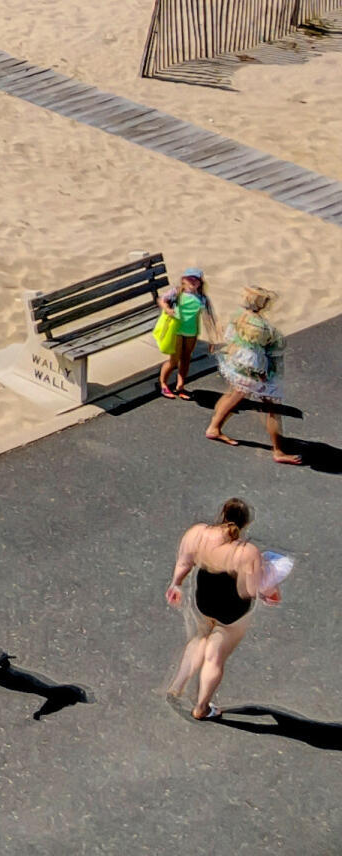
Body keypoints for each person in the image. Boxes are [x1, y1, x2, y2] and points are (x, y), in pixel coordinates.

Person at [168, 497, 282, 719]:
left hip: (204, 600)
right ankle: (201, 708)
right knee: (215, 656)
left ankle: (179, 683)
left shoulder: (197, 533)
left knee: (200, 637)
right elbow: (251, 589)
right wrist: (269, 592)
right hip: (232, 611)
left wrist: (175, 584)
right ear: (245, 524)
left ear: (222, 514)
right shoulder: (247, 552)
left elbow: (184, 563)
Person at [206, 286, 299, 464]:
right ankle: (278, 451)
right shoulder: (263, 328)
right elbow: (257, 356)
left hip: (238, 364)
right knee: (273, 410)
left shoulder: (238, 315)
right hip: (257, 371)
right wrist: (261, 373)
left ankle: (214, 427)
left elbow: (231, 337)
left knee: (235, 394)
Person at [157, 266, 209, 399]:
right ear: (183, 280)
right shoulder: (177, 292)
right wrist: (167, 309)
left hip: (191, 331)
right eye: (189, 278)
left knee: (186, 358)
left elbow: (208, 317)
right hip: (177, 330)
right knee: (174, 360)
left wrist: (212, 335)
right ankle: (163, 383)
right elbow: (162, 300)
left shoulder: (202, 298)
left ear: (200, 283)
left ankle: (180, 386)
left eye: (196, 279)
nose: (193, 281)